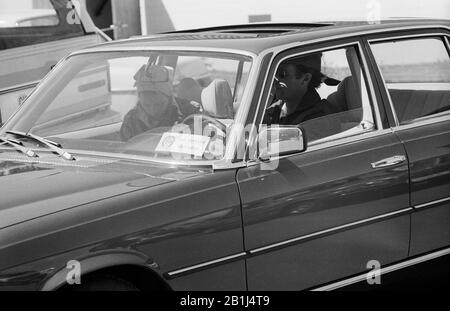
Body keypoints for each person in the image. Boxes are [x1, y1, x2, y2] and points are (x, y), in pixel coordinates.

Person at [264, 53, 340, 126]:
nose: (275, 79)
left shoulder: (319, 119)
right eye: (274, 73)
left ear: (305, 79)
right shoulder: (274, 109)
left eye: (282, 74)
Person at [120, 65, 188, 141]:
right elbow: (124, 149)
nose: (153, 110)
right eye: (147, 105)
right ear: (140, 100)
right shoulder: (131, 120)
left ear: (169, 97)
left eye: (158, 105)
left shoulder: (187, 112)